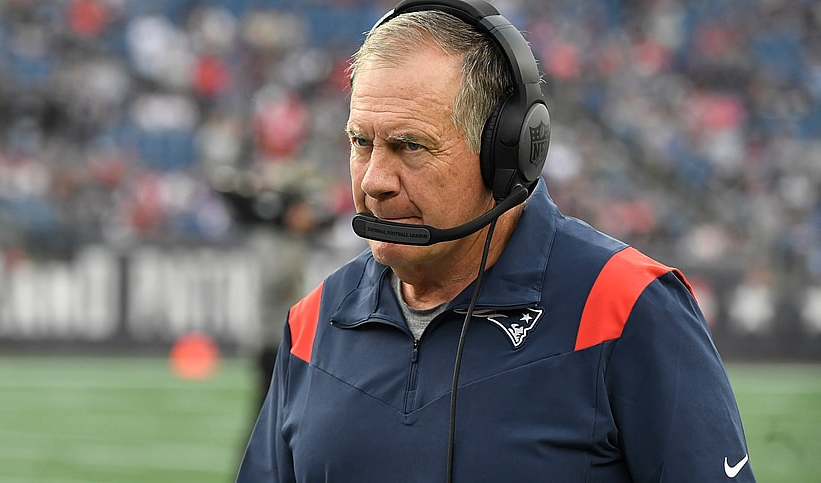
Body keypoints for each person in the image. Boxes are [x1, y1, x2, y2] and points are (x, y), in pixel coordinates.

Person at [236, 1, 755, 481]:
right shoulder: (311, 323)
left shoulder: (628, 308)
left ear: (505, 155)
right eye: (360, 142)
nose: (373, 180)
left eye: (409, 145)